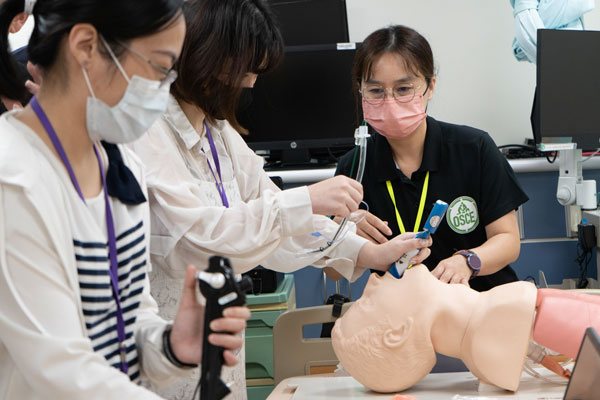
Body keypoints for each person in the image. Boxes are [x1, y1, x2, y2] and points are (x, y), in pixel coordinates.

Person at [130, 2, 431, 398]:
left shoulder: (217, 132)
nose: (251, 83)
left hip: (217, 351)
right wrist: (307, 200)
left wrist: (368, 253)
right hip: (165, 354)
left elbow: (276, 225)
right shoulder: (147, 134)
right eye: (247, 70)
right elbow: (197, 240)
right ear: (211, 59)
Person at [0, 0, 248, 398]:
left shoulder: (120, 167)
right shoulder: (12, 179)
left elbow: (128, 319)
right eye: (158, 68)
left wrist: (171, 346)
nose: (163, 89)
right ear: (85, 46)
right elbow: (59, 369)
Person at [335, 25, 529, 290]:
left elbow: (508, 240)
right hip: (404, 309)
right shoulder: (354, 167)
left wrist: (468, 261)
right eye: (376, 91)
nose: (390, 101)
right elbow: (332, 272)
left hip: (479, 302)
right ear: (361, 92)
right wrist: (343, 233)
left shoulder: (474, 149)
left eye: (404, 88)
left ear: (430, 86)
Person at [332, 264, 600, 393]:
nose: (372, 281)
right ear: (397, 333)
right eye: (367, 302)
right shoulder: (504, 315)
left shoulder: (501, 314)